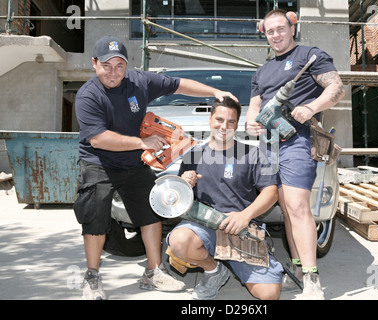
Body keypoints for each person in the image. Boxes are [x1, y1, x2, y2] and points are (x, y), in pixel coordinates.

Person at [74, 35, 237, 300]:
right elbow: (99, 138)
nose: (113, 72)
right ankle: (92, 277)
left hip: (134, 163)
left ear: (127, 65)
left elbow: (178, 84)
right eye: (107, 65)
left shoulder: (139, 81)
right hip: (99, 163)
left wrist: (213, 92)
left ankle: (154, 272)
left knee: (151, 212)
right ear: (95, 64)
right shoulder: (88, 96)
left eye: (119, 65)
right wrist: (142, 141)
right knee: (95, 218)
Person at [245, 9, 345, 300]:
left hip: (298, 140)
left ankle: (313, 279)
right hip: (269, 146)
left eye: (280, 29)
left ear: (292, 27)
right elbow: (254, 105)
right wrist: (251, 121)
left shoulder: (308, 56)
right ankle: (299, 270)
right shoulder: (261, 72)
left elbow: (336, 87)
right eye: (270, 31)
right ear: (264, 34)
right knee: (287, 209)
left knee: (299, 206)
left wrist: (312, 107)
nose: (276, 35)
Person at [166, 97, 284, 300]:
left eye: (231, 122)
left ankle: (251, 260)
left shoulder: (253, 153)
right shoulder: (193, 155)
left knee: (269, 294)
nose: (224, 126)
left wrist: (245, 216)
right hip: (204, 227)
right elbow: (176, 200)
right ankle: (213, 270)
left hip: (241, 229)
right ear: (210, 119)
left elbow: (271, 192)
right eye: (219, 119)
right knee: (179, 241)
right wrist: (183, 184)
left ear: (236, 124)